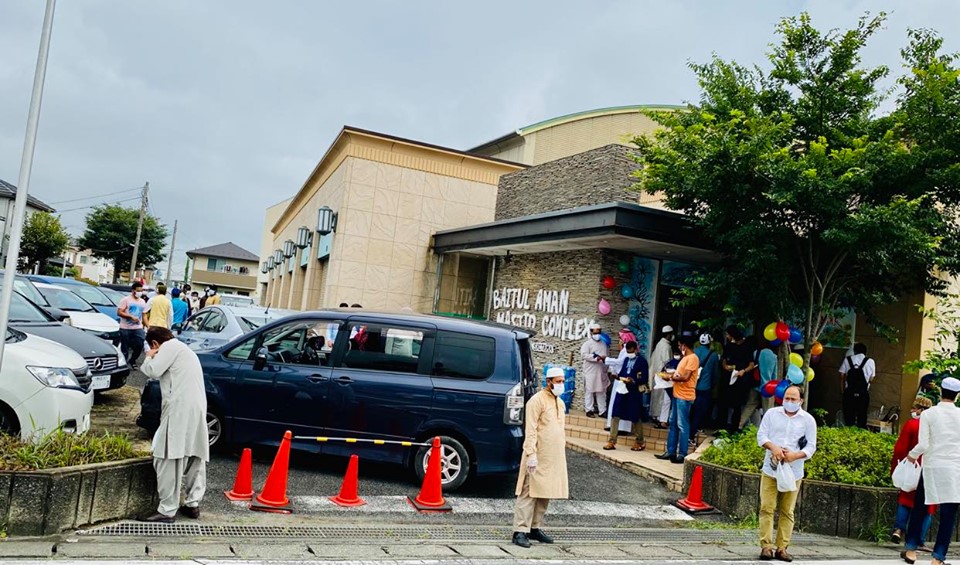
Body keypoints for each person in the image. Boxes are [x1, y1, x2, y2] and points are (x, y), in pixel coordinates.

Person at [137, 327, 209, 523]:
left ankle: (167, 510)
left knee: (166, 456)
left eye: (152, 348)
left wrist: (149, 356)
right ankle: (193, 504)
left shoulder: (168, 347)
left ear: (154, 343)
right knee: (195, 454)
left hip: (179, 408)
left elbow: (151, 371)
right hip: (198, 407)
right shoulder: (185, 350)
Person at [902, 377, 960, 565]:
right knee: (949, 514)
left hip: (932, 466)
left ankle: (911, 550)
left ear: (941, 391)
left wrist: (912, 455)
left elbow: (924, 443)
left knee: (920, 508)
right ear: (957, 395)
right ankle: (938, 558)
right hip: (954, 469)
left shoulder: (929, 414)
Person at [757, 384, 817, 562]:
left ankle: (782, 547)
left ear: (801, 401)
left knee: (787, 510)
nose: (789, 402)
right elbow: (761, 436)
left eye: (793, 399)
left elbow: (811, 447)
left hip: (794, 471)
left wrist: (795, 456)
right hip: (771, 468)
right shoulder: (771, 414)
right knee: (767, 507)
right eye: (787, 398)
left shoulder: (808, 420)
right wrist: (774, 447)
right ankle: (766, 546)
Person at [512, 367, 568, 548]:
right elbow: (531, 429)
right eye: (558, 381)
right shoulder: (536, 401)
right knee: (528, 492)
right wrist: (530, 454)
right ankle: (520, 531)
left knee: (545, 493)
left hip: (553, 457)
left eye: (563, 381)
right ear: (549, 381)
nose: (561, 385)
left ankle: (534, 528)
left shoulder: (560, 403)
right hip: (536, 454)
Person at [890, 396, 934, 547]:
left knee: (905, 500)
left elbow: (900, 449)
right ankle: (918, 539)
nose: (912, 410)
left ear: (921, 410)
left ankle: (898, 529)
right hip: (930, 470)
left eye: (914, 408)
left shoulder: (912, 425)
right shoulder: (935, 427)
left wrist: (897, 466)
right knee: (929, 506)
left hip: (911, 465)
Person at [656, 335, 700, 464]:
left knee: (682, 425)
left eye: (680, 345)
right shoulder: (685, 358)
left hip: (684, 396)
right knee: (673, 424)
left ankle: (682, 453)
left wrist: (669, 378)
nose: (679, 348)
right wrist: (668, 375)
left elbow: (685, 377)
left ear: (684, 345)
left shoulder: (692, 358)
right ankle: (670, 452)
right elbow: (678, 374)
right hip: (677, 394)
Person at [603, 340, 649, 451]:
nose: (629, 353)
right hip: (622, 390)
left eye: (631, 351)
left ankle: (640, 441)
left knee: (635, 416)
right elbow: (623, 373)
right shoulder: (626, 359)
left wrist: (633, 381)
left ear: (636, 349)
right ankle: (612, 441)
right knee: (615, 414)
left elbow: (644, 378)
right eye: (627, 351)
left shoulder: (642, 361)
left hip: (633, 392)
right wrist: (617, 376)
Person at [721, 326, 756, 433]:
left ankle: (735, 427)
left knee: (738, 405)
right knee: (725, 402)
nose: (727, 336)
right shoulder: (729, 346)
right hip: (728, 377)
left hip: (741, 378)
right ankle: (724, 425)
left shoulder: (747, 347)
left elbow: (751, 364)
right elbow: (724, 359)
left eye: (728, 334)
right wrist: (725, 366)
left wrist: (743, 371)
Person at [606, 328, 638, 434]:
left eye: (620, 337)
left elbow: (620, 362)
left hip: (624, 380)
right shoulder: (623, 350)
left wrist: (606, 360)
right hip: (619, 379)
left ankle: (621, 428)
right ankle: (613, 425)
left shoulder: (626, 351)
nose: (619, 340)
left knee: (621, 404)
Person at [839, 342, 875, 428]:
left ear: (854, 351)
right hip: (863, 394)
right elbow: (871, 378)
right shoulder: (870, 361)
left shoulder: (847, 360)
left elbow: (841, 376)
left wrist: (842, 391)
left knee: (848, 418)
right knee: (862, 417)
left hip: (849, 393)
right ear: (865, 352)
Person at [691, 333, 719, 436]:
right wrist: (714, 385)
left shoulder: (694, 353)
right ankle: (695, 429)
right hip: (705, 387)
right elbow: (715, 373)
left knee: (691, 410)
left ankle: (689, 430)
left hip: (692, 386)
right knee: (700, 410)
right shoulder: (713, 355)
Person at [580, 323, 609, 418]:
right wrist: (595, 357)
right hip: (590, 371)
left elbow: (606, 356)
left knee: (601, 392)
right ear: (591, 332)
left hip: (601, 371)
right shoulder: (587, 344)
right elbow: (584, 355)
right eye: (595, 332)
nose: (597, 334)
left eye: (598, 332)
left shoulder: (603, 344)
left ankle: (602, 411)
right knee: (589, 390)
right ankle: (589, 410)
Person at [649, 325, 675, 427]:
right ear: (669, 334)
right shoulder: (666, 346)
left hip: (657, 375)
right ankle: (661, 419)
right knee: (664, 399)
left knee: (658, 397)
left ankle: (656, 416)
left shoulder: (659, 344)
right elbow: (667, 363)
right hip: (664, 377)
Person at [117, 282, 147, 368]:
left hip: (137, 327)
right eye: (138, 291)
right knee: (125, 346)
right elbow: (119, 312)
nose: (140, 292)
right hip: (125, 327)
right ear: (133, 291)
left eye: (141, 290)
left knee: (140, 344)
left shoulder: (142, 301)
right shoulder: (125, 300)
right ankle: (124, 363)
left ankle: (133, 360)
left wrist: (147, 325)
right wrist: (130, 316)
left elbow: (144, 314)